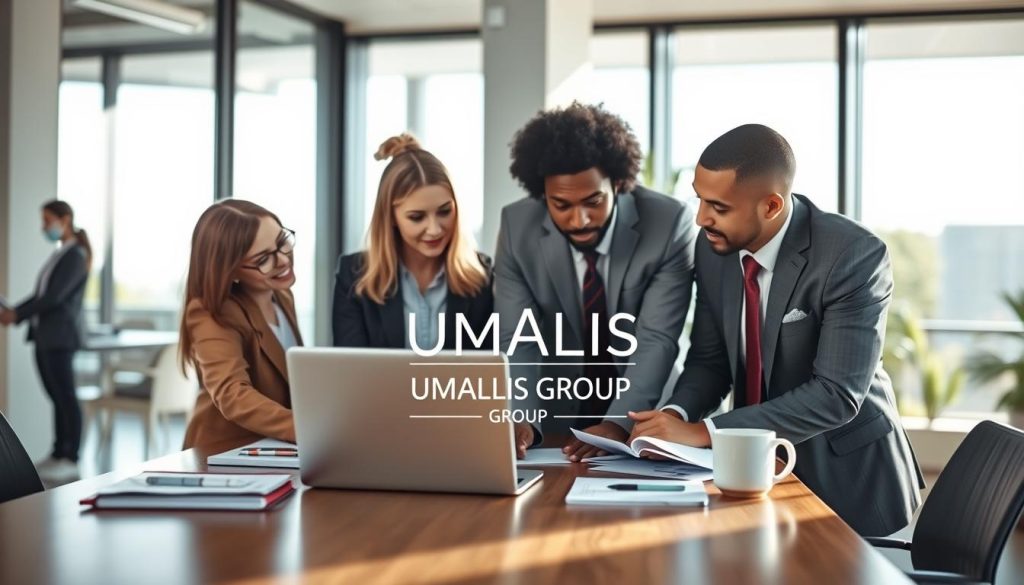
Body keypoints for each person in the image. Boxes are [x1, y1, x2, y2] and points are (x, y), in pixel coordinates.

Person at [627, 124, 923, 536]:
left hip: (844, 477)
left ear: (771, 206)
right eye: (699, 199)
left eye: (719, 207)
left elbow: (837, 395)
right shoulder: (713, 248)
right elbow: (710, 360)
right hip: (750, 472)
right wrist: (674, 418)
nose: (701, 218)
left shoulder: (853, 255)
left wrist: (704, 432)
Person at [494, 102, 697, 460]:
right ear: (542, 194)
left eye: (593, 200)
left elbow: (657, 338)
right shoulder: (516, 228)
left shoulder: (668, 223)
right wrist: (522, 415)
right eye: (562, 205)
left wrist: (618, 422)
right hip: (557, 413)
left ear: (617, 183)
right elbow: (518, 336)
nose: (579, 219)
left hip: (645, 416)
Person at [333, 134, 493, 350]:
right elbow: (348, 370)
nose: (435, 229)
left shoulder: (482, 277)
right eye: (417, 217)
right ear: (391, 217)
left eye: (445, 212)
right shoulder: (353, 276)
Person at [179, 199, 303, 450]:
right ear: (231, 270)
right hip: (222, 454)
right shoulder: (211, 311)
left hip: (273, 449)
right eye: (263, 259)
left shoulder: (282, 297)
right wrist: (305, 428)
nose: (282, 259)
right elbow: (232, 393)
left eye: (282, 242)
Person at [0, 200, 92, 483]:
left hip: (60, 337)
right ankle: (57, 453)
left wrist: (17, 314)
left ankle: (70, 458)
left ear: (65, 219)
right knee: (56, 397)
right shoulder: (61, 253)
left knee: (66, 397)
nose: (44, 226)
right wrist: (14, 312)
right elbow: (42, 294)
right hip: (45, 336)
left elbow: (53, 298)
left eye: (47, 220)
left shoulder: (75, 255)